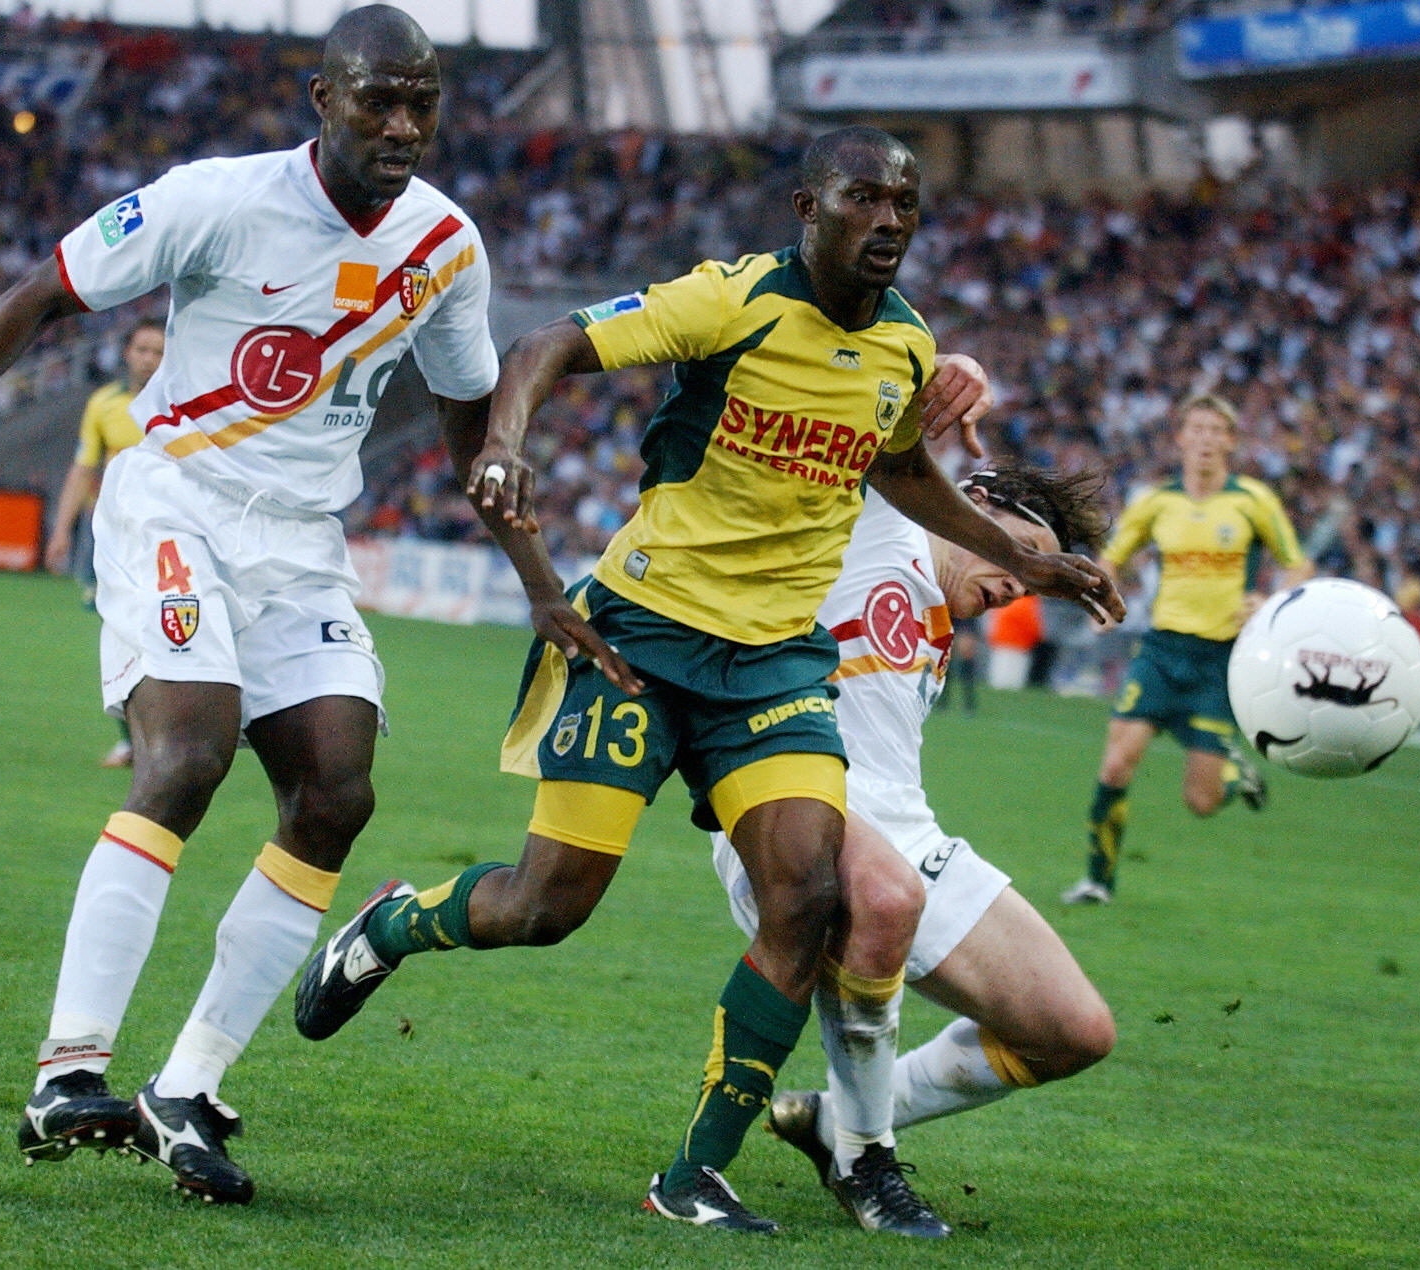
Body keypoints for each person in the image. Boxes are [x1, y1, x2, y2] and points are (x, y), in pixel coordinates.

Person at [292, 126, 1123, 1234]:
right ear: (805, 208)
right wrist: (505, 436)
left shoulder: (904, 350)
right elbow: (546, 343)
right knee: (548, 906)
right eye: (863, 199)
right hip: (639, 638)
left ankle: (694, 1172)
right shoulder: (730, 302)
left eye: (905, 206)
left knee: (812, 895)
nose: (887, 221)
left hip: (772, 665)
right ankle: (398, 921)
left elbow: (906, 471)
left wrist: (1027, 561)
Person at [0, 6, 499, 1205]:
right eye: (377, 97)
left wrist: (538, 580)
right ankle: (70, 1068)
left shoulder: (448, 248)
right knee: (190, 754)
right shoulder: (216, 197)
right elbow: (39, 292)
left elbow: (473, 415)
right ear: (321, 100)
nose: (401, 123)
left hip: (302, 544)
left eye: (421, 100)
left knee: (337, 788)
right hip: (176, 499)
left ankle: (189, 1088)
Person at [712, 466, 1117, 1238]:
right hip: (790, 805)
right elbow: (871, 411)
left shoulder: (938, 616)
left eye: (1037, 574)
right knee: (888, 897)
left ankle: (841, 1118)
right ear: (976, 506)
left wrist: (1036, 565)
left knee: (1075, 1031)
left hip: (908, 832)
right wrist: (945, 372)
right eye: (1021, 553)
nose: (1020, 583)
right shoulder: (878, 523)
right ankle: (867, 1160)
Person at [1063, 393, 1311, 905]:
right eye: (1194, 428)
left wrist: (1270, 600)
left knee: (1200, 802)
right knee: (1115, 765)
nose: (1204, 439)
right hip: (1160, 652)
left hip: (1220, 661)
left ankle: (1234, 772)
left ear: (1230, 441)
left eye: (1215, 430)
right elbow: (1112, 558)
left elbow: (1297, 564)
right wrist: (1103, 598)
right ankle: (1097, 881)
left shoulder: (1252, 501)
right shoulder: (1157, 502)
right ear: (1180, 438)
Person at [45, 320, 165, 767]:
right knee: (117, 630)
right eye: (142, 349)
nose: (149, 359)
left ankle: (162, 735)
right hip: (112, 538)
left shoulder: (185, 404)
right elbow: (82, 469)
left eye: (159, 351)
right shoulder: (104, 404)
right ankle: (133, 740)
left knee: (163, 631)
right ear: (127, 353)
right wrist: (61, 529)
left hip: (166, 537)